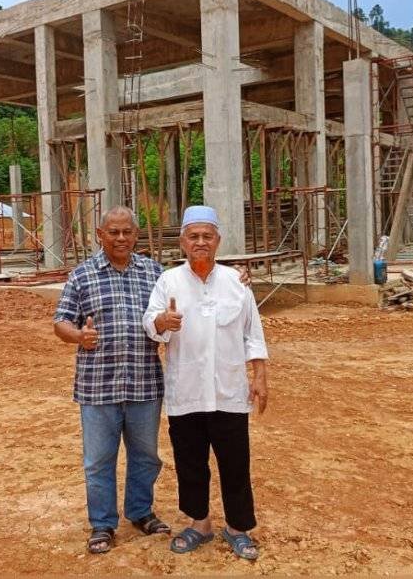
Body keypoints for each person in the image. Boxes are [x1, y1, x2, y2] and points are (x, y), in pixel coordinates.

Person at [142, 205, 269, 561]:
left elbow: (252, 334)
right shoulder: (168, 281)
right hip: (187, 392)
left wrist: (259, 376)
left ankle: (238, 528)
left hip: (229, 392)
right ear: (183, 241)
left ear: (218, 241)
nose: (201, 242)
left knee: (235, 463)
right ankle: (200, 523)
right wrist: (164, 322)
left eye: (207, 236)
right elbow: (150, 322)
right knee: (190, 462)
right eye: (194, 236)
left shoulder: (236, 283)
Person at [53, 206, 171, 554]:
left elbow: (187, 297)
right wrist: (78, 337)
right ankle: (102, 524)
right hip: (98, 386)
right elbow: (60, 321)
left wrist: (236, 276)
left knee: (146, 455)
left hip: (144, 383)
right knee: (99, 460)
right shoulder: (82, 276)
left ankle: (140, 512)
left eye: (127, 232)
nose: (121, 238)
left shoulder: (155, 273)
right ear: (99, 235)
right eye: (113, 232)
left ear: (136, 235)